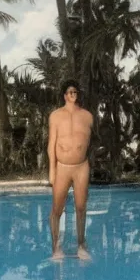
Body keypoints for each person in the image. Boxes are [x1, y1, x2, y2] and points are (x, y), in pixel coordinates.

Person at [47, 80, 93, 261]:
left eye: (75, 91)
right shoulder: (55, 116)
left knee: (81, 207)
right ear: (64, 95)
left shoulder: (88, 116)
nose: (73, 94)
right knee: (57, 209)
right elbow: (51, 145)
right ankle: (56, 247)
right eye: (69, 91)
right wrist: (52, 170)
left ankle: (81, 245)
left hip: (81, 166)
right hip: (62, 167)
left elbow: (90, 142)